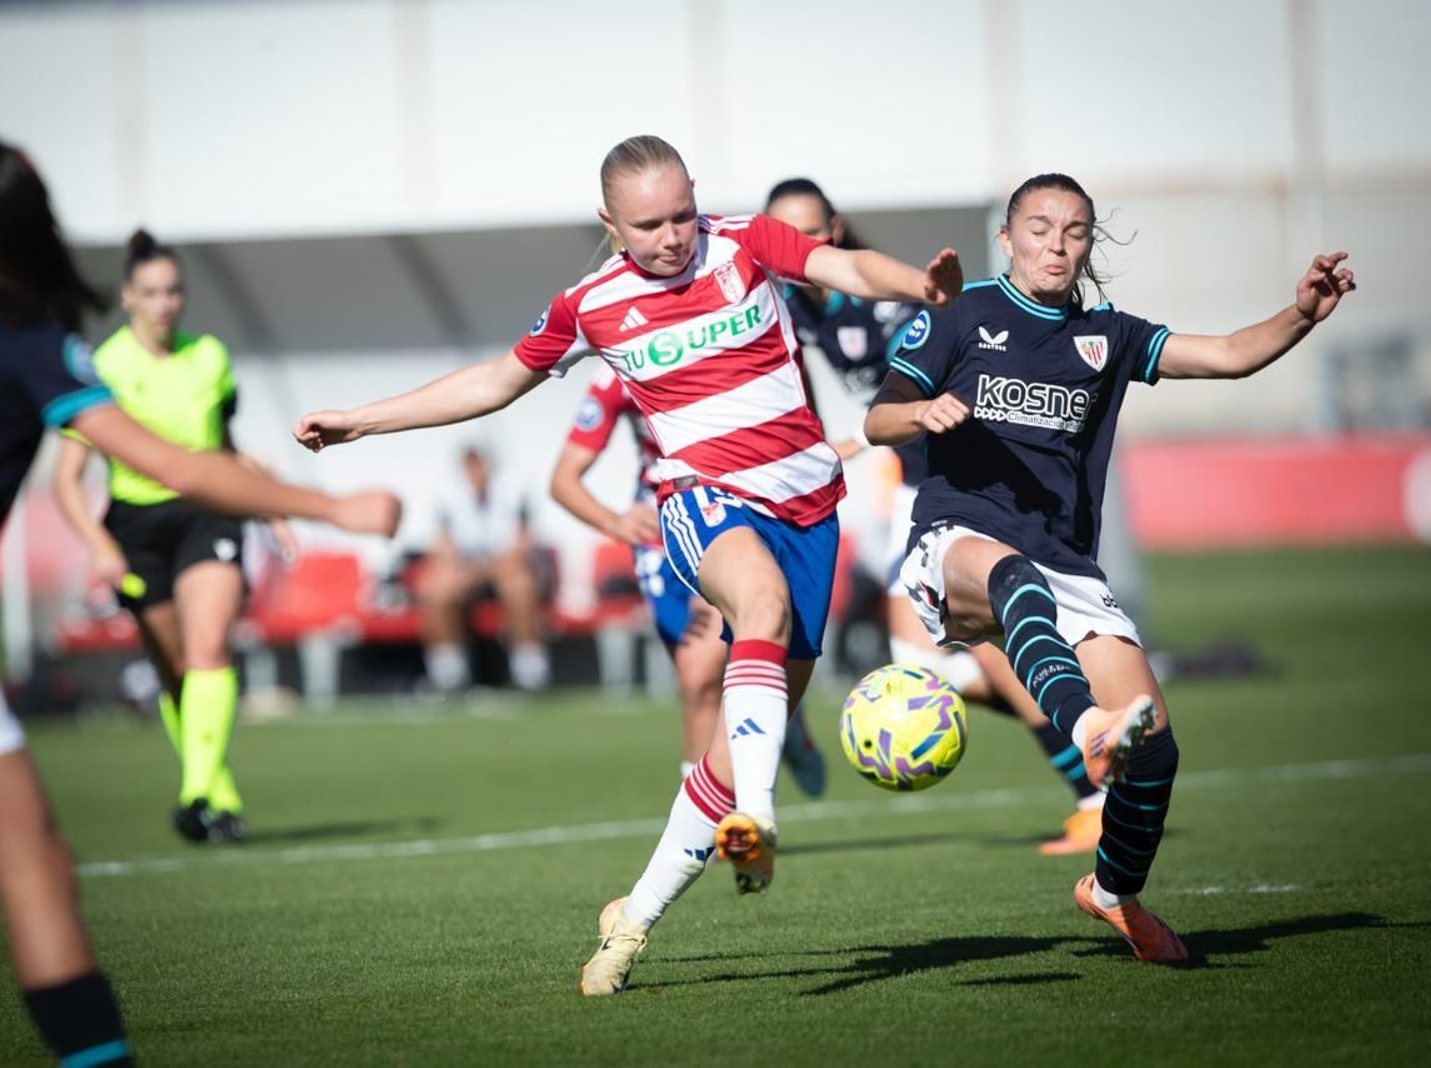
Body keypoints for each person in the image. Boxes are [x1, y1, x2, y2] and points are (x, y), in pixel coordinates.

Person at [292, 134, 962, 995]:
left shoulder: (747, 241)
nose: (674, 235)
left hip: (808, 506)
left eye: (683, 212)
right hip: (700, 499)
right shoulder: (591, 304)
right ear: (610, 225)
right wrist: (363, 421)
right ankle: (761, 817)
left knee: (725, 757)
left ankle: (632, 921)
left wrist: (919, 285)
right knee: (756, 607)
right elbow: (494, 380)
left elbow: (847, 269)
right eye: (649, 224)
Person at [0, 139, 400, 1065]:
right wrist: (332, 505)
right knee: (36, 871)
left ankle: (204, 785)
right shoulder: (27, 340)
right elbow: (175, 463)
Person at [865, 172, 1356, 962]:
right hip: (957, 539)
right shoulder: (963, 313)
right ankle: (1088, 728)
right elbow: (879, 415)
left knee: (1156, 752)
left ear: (1090, 242)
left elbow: (1229, 355)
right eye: (1039, 228)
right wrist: (920, 412)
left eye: (1074, 231)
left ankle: (1113, 890)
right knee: (1013, 584)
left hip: (1066, 561)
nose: (1056, 245)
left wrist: (1301, 312)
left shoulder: (1108, 332)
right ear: (1008, 236)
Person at [765, 178, 1106, 853]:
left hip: (948, 491)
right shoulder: (796, 304)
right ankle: (1081, 727)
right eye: (782, 235)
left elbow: (945, 379)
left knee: (966, 655)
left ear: (833, 231)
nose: (795, 247)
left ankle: (1093, 781)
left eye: (808, 231)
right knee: (939, 666)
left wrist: (866, 438)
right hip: (911, 485)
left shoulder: (881, 308)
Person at [53, 229, 296, 844]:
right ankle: (217, 791)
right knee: (179, 674)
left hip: (208, 513)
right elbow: (66, 480)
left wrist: (275, 509)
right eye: (152, 292)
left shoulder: (209, 356)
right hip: (136, 527)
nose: (165, 303)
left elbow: (226, 451)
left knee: (210, 647)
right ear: (128, 298)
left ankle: (192, 793)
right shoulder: (101, 365)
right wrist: (100, 546)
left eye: (174, 291)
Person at [550, 364, 825, 792]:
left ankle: (709, 820)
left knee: (701, 669)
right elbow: (564, 479)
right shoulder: (616, 373)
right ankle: (777, 718)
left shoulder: (734, 342)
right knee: (696, 683)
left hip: (730, 517)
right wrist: (612, 521)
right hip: (659, 537)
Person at [416, 445, 552, 692]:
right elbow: (442, 546)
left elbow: (522, 545)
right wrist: (463, 570)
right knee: (436, 590)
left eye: (479, 466)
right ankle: (447, 674)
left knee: (519, 584)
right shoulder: (448, 496)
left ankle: (530, 670)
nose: (475, 473)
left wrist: (486, 568)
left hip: (504, 568)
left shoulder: (514, 490)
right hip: (467, 571)